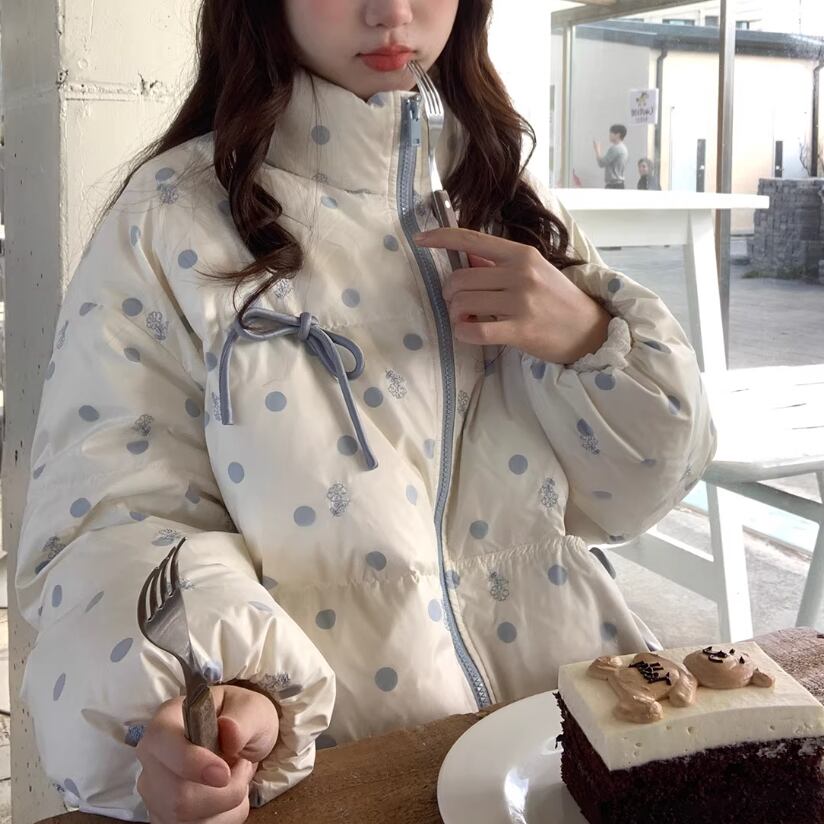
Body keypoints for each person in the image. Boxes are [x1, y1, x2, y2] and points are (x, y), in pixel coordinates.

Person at [16, 1, 715, 821]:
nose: (392, 12)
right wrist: (235, 690)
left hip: (563, 747)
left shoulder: (500, 192)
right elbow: (114, 517)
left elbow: (633, 498)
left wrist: (592, 340)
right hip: (337, 768)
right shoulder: (169, 218)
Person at [593, 124, 629, 189]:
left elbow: (601, 163)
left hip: (613, 186)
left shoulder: (615, 148)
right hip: (619, 184)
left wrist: (597, 150)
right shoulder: (624, 148)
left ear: (618, 135)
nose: (609, 135)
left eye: (611, 133)